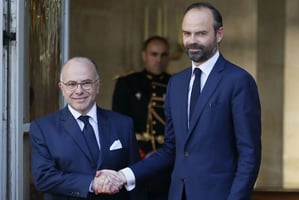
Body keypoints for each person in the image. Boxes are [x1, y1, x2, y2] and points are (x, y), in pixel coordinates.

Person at [100, 2, 262, 200]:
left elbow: (249, 155)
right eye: (187, 33)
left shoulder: (238, 81)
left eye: (201, 33)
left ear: (219, 34)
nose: (192, 41)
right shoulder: (176, 83)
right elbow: (171, 149)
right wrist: (124, 175)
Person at [29, 57, 143, 200]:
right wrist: (91, 184)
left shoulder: (123, 124)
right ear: (62, 88)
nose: (79, 90)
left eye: (86, 83)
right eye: (71, 84)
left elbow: (135, 173)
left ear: (98, 86)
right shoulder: (43, 128)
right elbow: (44, 178)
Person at [112, 36, 172, 200]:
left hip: (168, 161)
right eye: (154, 54)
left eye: (163, 55)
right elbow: (119, 125)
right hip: (135, 159)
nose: (159, 59)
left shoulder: (175, 83)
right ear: (144, 55)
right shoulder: (127, 83)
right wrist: (141, 154)